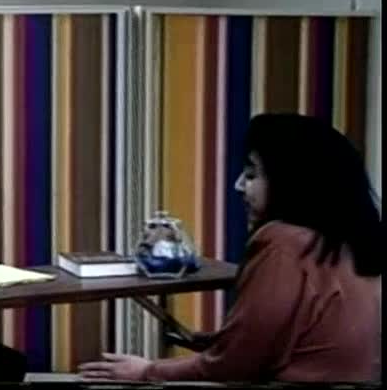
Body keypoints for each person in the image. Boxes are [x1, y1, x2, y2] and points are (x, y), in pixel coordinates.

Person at [79, 113, 382, 383]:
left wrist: (147, 371)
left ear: (292, 181)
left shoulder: (283, 243)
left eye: (251, 174)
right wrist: (214, 341)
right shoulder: (348, 239)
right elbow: (281, 337)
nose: (239, 185)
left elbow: (238, 364)